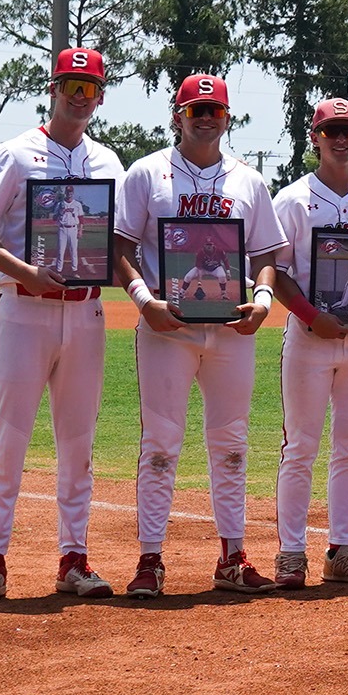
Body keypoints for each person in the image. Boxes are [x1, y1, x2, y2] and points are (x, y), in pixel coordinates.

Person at [112, 73, 288, 597]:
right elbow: (121, 248)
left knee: (231, 442)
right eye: (196, 110)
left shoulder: (248, 180)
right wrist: (145, 302)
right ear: (177, 115)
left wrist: (261, 302)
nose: (206, 118)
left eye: (214, 111)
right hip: (168, 328)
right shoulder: (146, 173)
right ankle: (150, 560)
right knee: (161, 442)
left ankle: (233, 557)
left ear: (227, 117)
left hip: (232, 330)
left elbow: (266, 258)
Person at [0, 47, 122, 603]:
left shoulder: (108, 162)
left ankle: (73, 559)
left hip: (84, 312)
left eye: (89, 88)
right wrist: (26, 270)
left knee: (78, 443)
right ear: (53, 89)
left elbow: (118, 245)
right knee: (8, 440)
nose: (79, 97)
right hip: (25, 310)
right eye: (69, 85)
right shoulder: (16, 154)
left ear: (100, 97)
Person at [267, 97, 348, 589]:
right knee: (300, 446)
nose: (341, 139)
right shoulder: (292, 199)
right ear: (315, 138)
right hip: (309, 339)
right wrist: (309, 316)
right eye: (332, 131)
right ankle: (291, 552)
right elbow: (276, 274)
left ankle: (342, 549)